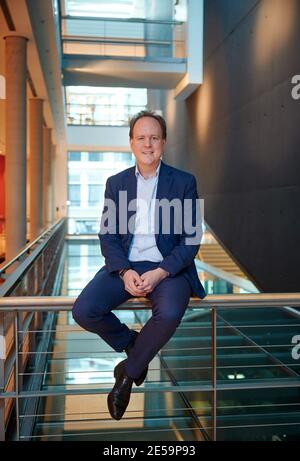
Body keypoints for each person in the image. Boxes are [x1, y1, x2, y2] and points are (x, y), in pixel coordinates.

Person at [72, 110, 206, 420]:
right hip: (126, 266)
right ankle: (133, 344)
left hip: (168, 267)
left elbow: (191, 239)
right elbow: (107, 235)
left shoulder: (184, 182)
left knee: (171, 311)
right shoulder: (115, 183)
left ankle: (127, 375)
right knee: (84, 310)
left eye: (154, 138)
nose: (148, 144)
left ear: (164, 143)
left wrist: (160, 272)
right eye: (141, 138)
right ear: (131, 143)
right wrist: (124, 270)